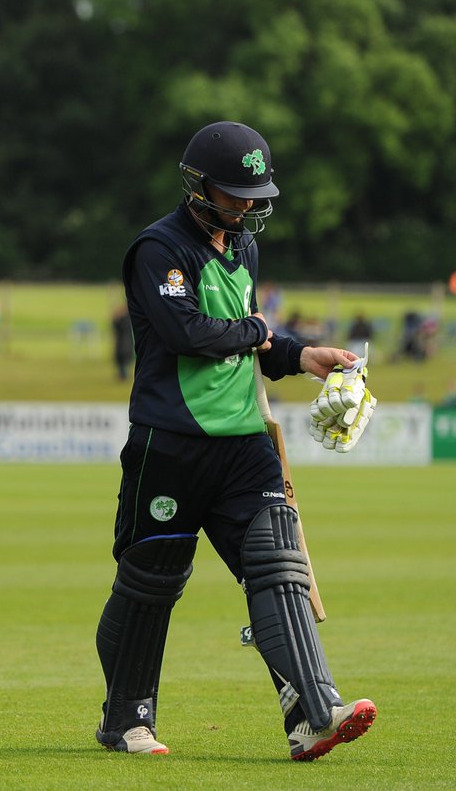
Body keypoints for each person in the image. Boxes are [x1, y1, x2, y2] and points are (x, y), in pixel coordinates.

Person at [95, 121, 376, 761]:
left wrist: (304, 355)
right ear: (198, 186)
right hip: (170, 444)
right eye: (234, 193)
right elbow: (187, 332)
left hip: (246, 444)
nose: (247, 205)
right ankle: (126, 718)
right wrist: (256, 331)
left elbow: (249, 344)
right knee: (151, 582)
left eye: (254, 193)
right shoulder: (158, 249)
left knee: (278, 569)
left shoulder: (242, 249)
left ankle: (313, 714)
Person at [111, 303, 133, 381]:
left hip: (125, 342)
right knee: (120, 358)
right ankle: (122, 374)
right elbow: (115, 326)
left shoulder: (128, 318)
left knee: (124, 357)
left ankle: (124, 374)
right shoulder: (122, 318)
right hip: (121, 342)